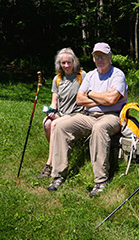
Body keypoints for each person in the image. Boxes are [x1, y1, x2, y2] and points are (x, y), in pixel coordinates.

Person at [47, 42, 128, 197]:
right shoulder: (90, 75)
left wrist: (90, 94)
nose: (100, 59)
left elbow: (111, 100)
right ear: (93, 58)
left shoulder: (117, 74)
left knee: (99, 128)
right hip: (89, 116)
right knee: (62, 125)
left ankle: (100, 181)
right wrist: (101, 98)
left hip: (112, 116)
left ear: (110, 57)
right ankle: (58, 174)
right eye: (97, 56)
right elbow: (79, 99)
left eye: (103, 56)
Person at [37, 48, 86, 179]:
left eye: (69, 62)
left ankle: (50, 164)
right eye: (63, 63)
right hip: (61, 113)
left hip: (76, 114)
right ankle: (58, 152)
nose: (66, 66)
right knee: (46, 123)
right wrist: (51, 112)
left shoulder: (82, 75)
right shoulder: (57, 79)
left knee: (54, 125)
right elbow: (54, 103)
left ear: (74, 62)